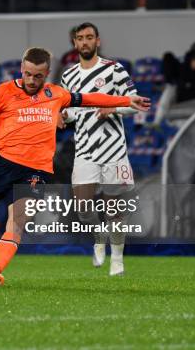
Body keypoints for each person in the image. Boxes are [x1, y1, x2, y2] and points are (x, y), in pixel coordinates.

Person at [0, 47, 150, 285]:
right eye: (28, 74)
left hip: (36, 171)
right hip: (1, 163)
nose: (32, 80)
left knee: (18, 222)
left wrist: (127, 99)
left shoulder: (56, 94)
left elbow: (88, 99)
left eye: (38, 76)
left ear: (46, 74)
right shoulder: (2, 93)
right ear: (22, 70)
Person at [58, 22, 140, 276]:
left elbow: (134, 102)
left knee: (114, 209)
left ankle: (117, 260)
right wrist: (62, 116)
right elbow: (70, 110)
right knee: (83, 209)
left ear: (98, 41)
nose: (85, 42)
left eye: (89, 37)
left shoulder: (114, 70)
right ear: (74, 43)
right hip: (84, 151)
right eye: (80, 38)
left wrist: (113, 108)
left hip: (114, 150)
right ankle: (98, 236)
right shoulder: (68, 76)